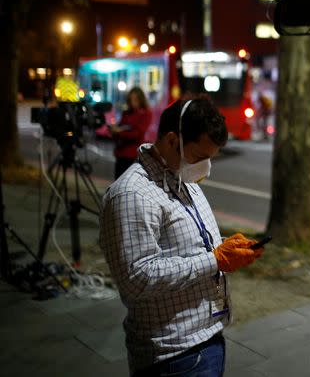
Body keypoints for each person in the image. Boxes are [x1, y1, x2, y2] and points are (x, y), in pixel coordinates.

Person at [100, 97, 265, 376]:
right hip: (173, 355)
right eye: (200, 157)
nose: (206, 167)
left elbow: (188, 244)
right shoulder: (131, 195)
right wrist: (215, 260)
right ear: (172, 140)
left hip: (206, 338)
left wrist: (224, 247)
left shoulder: (181, 175)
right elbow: (136, 279)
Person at [110, 87, 153, 179]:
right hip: (121, 153)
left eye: (135, 100)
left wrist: (120, 132)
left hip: (133, 154)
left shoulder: (145, 113)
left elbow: (138, 134)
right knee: (118, 181)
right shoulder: (126, 113)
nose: (132, 102)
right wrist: (114, 131)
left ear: (140, 100)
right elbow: (120, 127)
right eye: (130, 100)